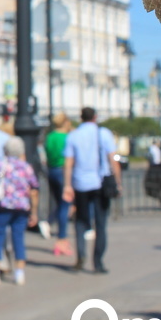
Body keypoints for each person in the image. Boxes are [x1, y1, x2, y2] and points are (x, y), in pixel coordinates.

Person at [62, 107, 121, 273]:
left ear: (81, 118)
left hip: (80, 183)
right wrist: (118, 182)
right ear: (95, 117)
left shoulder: (73, 135)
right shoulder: (104, 133)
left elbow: (68, 163)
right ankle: (98, 262)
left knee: (80, 220)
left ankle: (81, 254)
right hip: (100, 183)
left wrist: (67, 185)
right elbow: (113, 160)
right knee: (101, 223)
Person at [0, 137, 40, 286]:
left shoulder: (0, 164)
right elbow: (34, 191)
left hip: (3, 206)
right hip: (21, 207)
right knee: (18, 238)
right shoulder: (26, 167)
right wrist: (34, 212)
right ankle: (20, 272)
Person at [44, 112, 73, 256]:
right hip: (63, 171)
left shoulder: (50, 137)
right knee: (64, 205)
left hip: (51, 170)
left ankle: (49, 223)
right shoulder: (67, 137)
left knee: (58, 203)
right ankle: (62, 239)